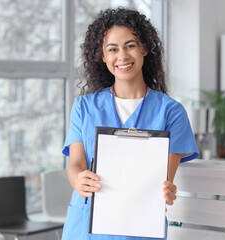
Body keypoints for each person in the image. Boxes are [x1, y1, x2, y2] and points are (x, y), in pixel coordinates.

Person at [62, 7, 199, 240]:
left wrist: (167, 192)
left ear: (144, 48)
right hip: (84, 227)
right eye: (112, 49)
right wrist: (78, 180)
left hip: (140, 228)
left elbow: (164, 180)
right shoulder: (84, 107)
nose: (122, 56)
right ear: (103, 56)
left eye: (130, 45)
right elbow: (75, 165)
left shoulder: (171, 112)